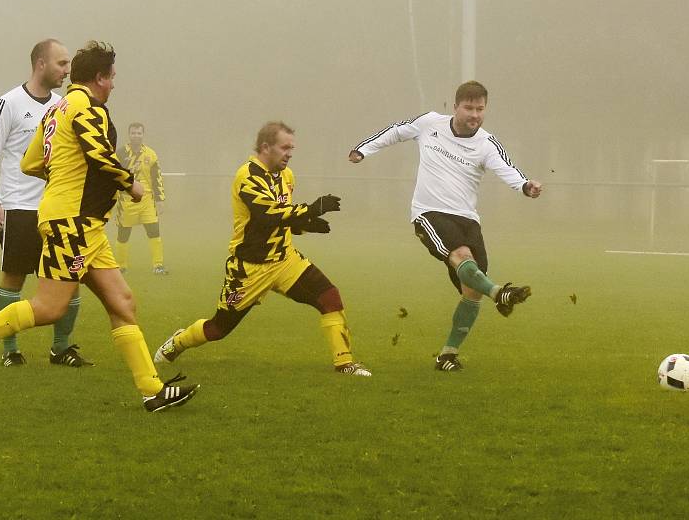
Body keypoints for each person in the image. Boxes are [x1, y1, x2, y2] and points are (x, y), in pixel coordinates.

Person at [0, 41, 199, 412]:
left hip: (84, 224)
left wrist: (60, 171)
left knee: (123, 302)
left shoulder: (56, 110)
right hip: (71, 223)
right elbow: (99, 153)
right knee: (49, 307)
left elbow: (30, 162)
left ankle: (152, 391)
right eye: (111, 78)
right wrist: (132, 183)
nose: (113, 85)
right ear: (99, 78)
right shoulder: (85, 107)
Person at [348, 80, 542, 371]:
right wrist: (363, 150)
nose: (474, 114)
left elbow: (506, 167)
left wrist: (525, 186)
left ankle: (447, 355)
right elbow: (396, 131)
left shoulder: (487, 143)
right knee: (462, 258)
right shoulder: (430, 123)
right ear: (455, 107)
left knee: (472, 289)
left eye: (480, 109)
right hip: (429, 213)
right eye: (468, 108)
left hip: (468, 219)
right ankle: (500, 292)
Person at [153, 122, 371, 377]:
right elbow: (265, 214)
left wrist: (305, 225)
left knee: (330, 297)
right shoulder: (247, 176)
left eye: (292, 148)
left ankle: (344, 364)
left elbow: (282, 219)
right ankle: (177, 342)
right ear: (266, 147)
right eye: (284, 147)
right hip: (249, 268)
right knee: (218, 329)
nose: (290, 153)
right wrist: (311, 209)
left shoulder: (287, 176)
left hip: (285, 260)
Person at [0, 39, 89, 367]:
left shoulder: (63, 106)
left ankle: (61, 348)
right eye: (61, 63)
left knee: (71, 279)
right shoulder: (9, 102)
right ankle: (9, 350)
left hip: (57, 209)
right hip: (18, 208)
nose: (67, 71)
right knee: (14, 278)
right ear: (40, 64)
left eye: (68, 64)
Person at [115, 122, 168, 274]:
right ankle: (121, 266)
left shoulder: (150, 154)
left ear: (143, 135)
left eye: (139, 133)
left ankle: (158, 265)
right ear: (129, 134)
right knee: (123, 234)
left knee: (154, 231)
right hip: (126, 200)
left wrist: (160, 199)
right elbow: (114, 175)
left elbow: (156, 178)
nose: (136, 136)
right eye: (133, 133)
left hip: (147, 200)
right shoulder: (121, 153)